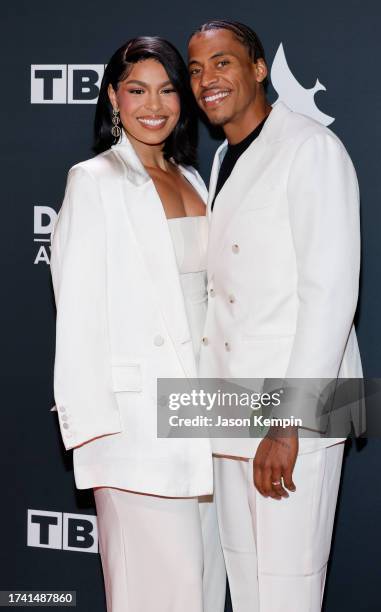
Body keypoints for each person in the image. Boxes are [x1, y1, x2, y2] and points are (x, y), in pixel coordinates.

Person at [188, 19, 364, 611]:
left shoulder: (311, 148)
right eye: (195, 69)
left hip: (291, 415)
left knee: (288, 591)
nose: (206, 79)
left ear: (259, 69)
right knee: (247, 584)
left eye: (222, 62)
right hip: (230, 406)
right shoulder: (221, 161)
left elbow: (330, 293)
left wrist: (288, 422)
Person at [50, 37, 225, 612]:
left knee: (201, 590)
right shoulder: (94, 180)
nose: (155, 105)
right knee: (153, 594)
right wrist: (93, 431)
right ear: (112, 98)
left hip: (206, 413)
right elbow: (75, 313)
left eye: (169, 89)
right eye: (137, 90)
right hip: (135, 429)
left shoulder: (195, 179)